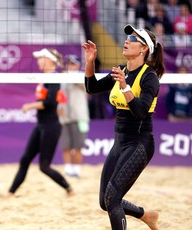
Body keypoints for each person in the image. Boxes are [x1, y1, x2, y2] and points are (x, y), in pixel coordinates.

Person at [82, 24, 165, 230]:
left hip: (140, 143)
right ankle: (147, 215)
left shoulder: (149, 77)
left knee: (113, 198)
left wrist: (125, 88)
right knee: (105, 201)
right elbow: (91, 88)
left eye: (133, 39)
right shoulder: (122, 70)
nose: (127, 40)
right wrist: (90, 62)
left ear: (144, 49)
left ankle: (146, 216)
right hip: (120, 142)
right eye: (127, 37)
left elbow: (140, 112)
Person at [3, 48, 74, 198]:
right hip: (41, 125)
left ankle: (69, 189)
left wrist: (30, 106)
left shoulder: (54, 77)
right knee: (25, 159)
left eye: (41, 58)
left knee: (44, 166)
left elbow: (49, 102)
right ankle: (10, 193)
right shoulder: (44, 77)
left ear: (49, 60)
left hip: (51, 127)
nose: (38, 61)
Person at [58, 54, 90, 177]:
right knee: (65, 145)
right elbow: (60, 96)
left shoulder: (82, 77)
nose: (70, 65)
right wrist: (59, 108)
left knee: (78, 145)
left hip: (79, 117)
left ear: (78, 65)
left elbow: (86, 87)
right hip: (65, 117)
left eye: (73, 63)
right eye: (69, 63)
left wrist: (69, 74)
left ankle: (76, 171)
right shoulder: (62, 79)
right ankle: (68, 170)